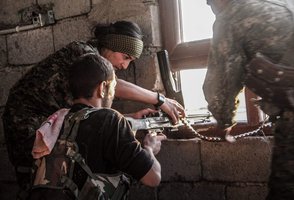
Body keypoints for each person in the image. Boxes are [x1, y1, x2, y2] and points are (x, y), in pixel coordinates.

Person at [1, 20, 183, 198]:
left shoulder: (92, 64)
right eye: (126, 57)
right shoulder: (82, 53)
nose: (124, 66)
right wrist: (159, 99)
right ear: (111, 45)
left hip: (50, 122)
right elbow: (111, 86)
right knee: (44, 179)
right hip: (26, 122)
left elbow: (84, 119)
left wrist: (131, 119)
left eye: (131, 61)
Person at [27, 53, 166, 199]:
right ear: (103, 88)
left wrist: (131, 118)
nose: (112, 95)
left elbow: (88, 121)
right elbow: (153, 178)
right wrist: (149, 148)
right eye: (113, 87)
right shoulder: (111, 119)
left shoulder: (55, 121)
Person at [203, 0, 294, 199]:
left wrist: (224, 123)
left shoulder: (231, 16)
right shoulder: (286, 4)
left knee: (287, 191)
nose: (208, 5)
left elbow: (220, 87)